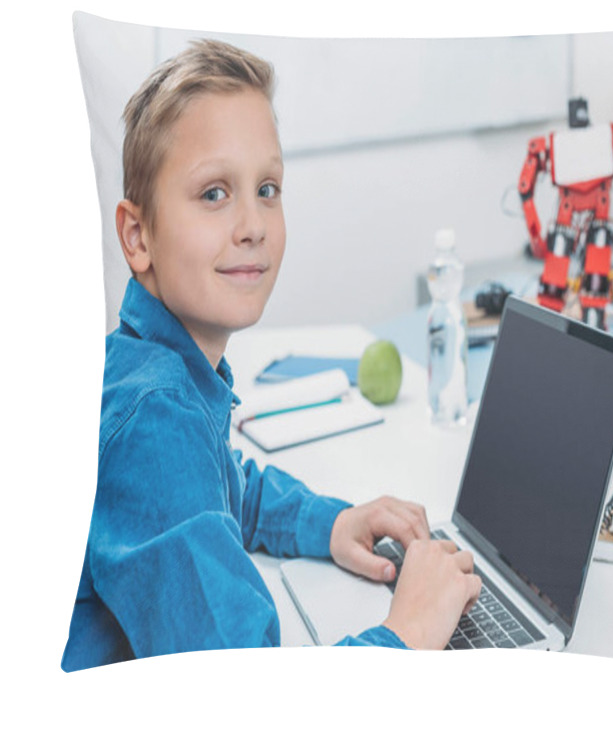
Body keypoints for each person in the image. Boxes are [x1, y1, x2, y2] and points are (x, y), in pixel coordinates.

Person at [61, 39, 481, 671]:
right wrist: (410, 633)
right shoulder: (153, 418)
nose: (252, 223)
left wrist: (327, 524)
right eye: (213, 194)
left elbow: (222, 484)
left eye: (267, 187)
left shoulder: (151, 372)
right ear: (137, 235)